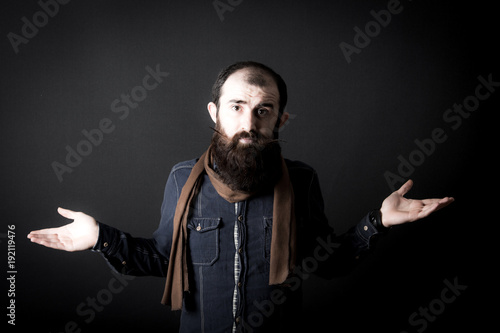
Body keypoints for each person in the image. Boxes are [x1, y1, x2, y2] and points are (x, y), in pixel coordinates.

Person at [28, 61, 454, 332]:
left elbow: (327, 260)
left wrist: (377, 221)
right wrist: (99, 236)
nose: (249, 121)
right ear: (215, 113)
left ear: (279, 120)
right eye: (236, 107)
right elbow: (162, 258)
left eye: (262, 110)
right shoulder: (181, 179)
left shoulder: (302, 180)